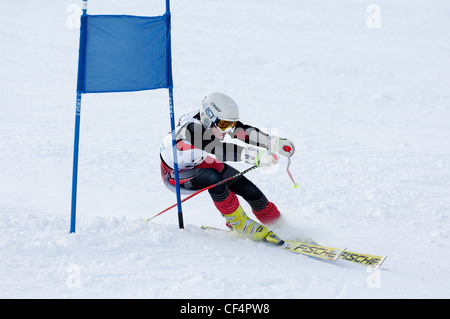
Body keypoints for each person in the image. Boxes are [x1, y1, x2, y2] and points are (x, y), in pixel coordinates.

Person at [160, 92, 295, 244]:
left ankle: (275, 222)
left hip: (199, 161)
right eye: (224, 125)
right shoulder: (190, 130)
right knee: (213, 178)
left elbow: (242, 132)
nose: (227, 131)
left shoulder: (212, 121)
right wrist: (256, 156)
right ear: (207, 118)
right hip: (175, 175)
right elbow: (219, 150)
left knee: (247, 187)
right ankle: (238, 222)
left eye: (230, 124)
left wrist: (275, 143)